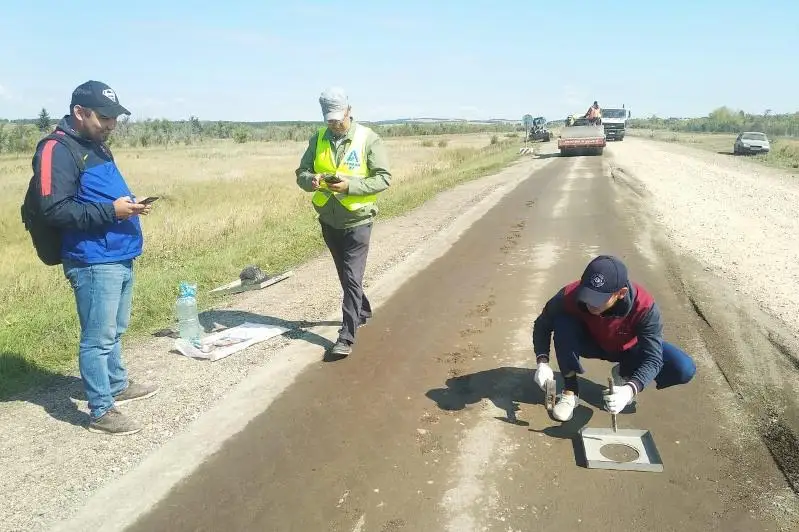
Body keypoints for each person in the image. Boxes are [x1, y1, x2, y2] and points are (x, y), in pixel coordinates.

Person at [29, 80, 158, 435]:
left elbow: (96, 195)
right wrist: (112, 212)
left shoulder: (97, 144)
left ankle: (116, 384)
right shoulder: (56, 150)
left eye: (114, 117)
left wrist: (128, 206)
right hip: (92, 259)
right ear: (79, 112)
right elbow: (54, 209)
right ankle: (101, 410)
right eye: (104, 117)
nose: (111, 124)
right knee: (97, 338)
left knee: (115, 329)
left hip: (119, 252)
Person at [530, 255, 696, 422]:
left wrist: (631, 389)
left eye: (599, 299)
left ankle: (625, 373)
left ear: (621, 293)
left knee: (683, 368)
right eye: (587, 295)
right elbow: (542, 324)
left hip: (628, 348)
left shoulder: (644, 307)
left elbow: (654, 358)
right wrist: (542, 362)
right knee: (563, 323)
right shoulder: (570, 294)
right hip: (591, 342)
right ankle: (570, 392)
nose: (590, 303)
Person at [295, 87, 392, 358]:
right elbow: (301, 172)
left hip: (358, 219)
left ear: (349, 110)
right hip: (329, 219)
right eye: (330, 120)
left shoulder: (368, 138)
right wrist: (311, 180)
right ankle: (363, 310)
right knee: (346, 275)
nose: (335, 124)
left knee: (350, 276)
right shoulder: (318, 139)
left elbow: (383, 178)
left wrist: (350, 186)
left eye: (338, 118)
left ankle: (346, 336)